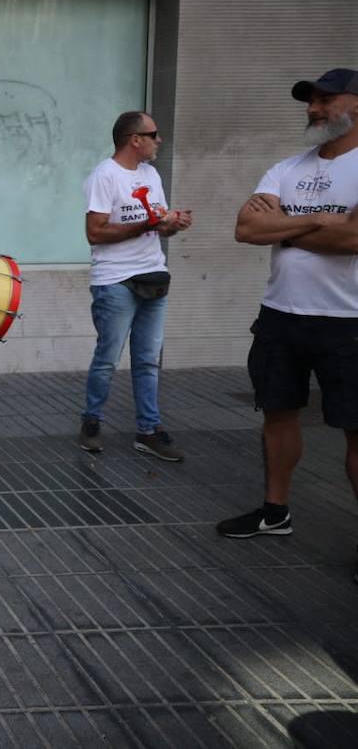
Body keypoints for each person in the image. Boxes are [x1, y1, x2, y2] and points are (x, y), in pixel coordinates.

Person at [218, 68, 358, 555]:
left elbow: (355, 238)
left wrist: (285, 222)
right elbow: (245, 229)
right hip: (280, 315)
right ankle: (275, 513)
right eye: (311, 101)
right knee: (278, 414)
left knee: (354, 429)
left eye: (326, 100)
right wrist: (322, 218)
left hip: (348, 322)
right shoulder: (287, 167)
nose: (314, 109)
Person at [78, 111, 193, 460]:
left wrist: (173, 224)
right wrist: (149, 223)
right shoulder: (104, 176)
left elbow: (157, 224)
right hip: (115, 281)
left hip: (153, 275)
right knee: (107, 359)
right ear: (134, 140)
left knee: (147, 360)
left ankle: (148, 429)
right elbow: (95, 232)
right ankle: (92, 422)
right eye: (153, 134)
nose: (159, 140)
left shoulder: (151, 174)